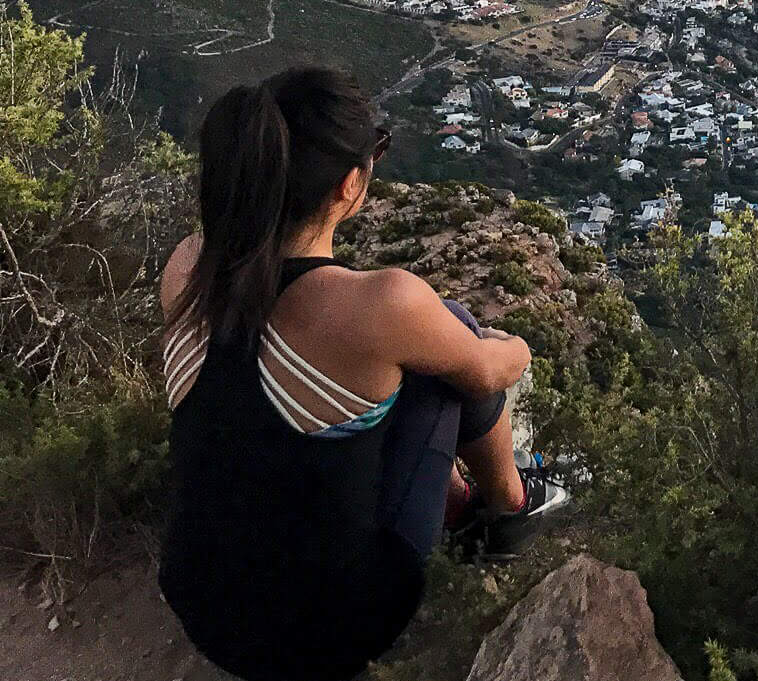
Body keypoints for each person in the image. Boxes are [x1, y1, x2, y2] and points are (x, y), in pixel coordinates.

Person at [159, 67, 569, 681]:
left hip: (201, 609)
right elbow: (487, 374)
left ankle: (468, 504)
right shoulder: (378, 305)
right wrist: (518, 346)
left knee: (383, 371)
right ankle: (511, 508)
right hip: (331, 635)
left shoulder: (188, 267)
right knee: (452, 340)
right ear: (350, 183)